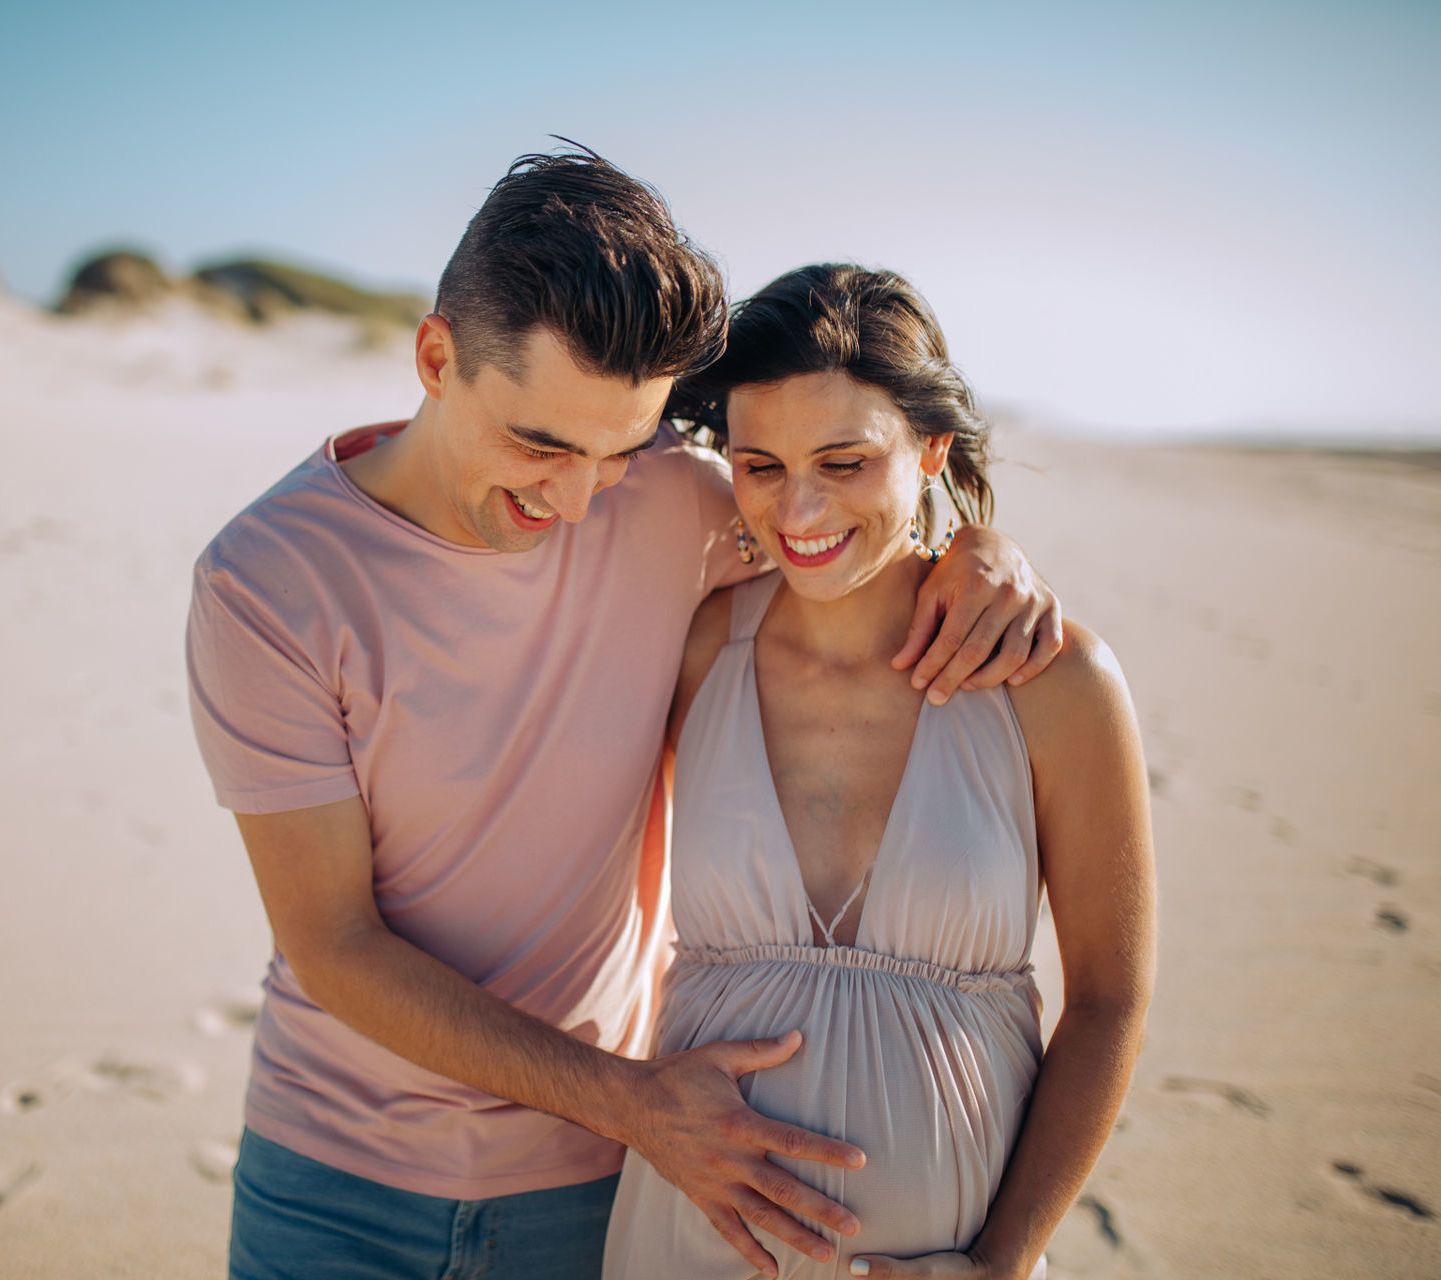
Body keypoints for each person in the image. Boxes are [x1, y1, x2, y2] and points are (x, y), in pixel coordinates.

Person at [186, 152, 1064, 1280]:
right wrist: (638, 1102)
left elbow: (848, 520)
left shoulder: (675, 500)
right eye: (541, 443)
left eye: (616, 448)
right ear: (436, 358)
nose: (574, 498)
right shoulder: (268, 581)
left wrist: (986, 550)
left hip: (594, 1192)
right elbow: (335, 942)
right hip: (334, 1183)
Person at [601, 265, 1156, 1280]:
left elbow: (1111, 999)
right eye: (760, 464)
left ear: (931, 446)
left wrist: (1003, 1259)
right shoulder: (692, 651)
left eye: (845, 460)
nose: (798, 507)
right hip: (684, 1241)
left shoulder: (1057, 679)